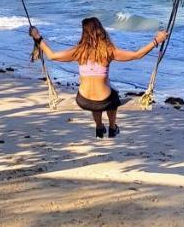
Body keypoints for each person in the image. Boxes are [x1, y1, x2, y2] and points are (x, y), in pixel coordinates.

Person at [28, 17, 167, 138]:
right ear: (100, 31)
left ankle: (99, 126)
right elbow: (136, 55)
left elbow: (52, 55)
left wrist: (37, 37)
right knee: (112, 95)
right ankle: (112, 127)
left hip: (83, 100)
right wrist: (156, 41)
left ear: (84, 34)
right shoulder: (108, 51)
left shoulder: (78, 51)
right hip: (105, 101)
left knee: (98, 95)